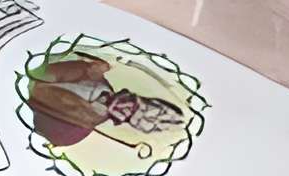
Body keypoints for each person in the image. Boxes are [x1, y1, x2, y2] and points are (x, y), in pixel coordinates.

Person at [24, 52, 187, 150]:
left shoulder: (72, 133)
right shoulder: (96, 74)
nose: (145, 113)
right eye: (155, 110)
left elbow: (36, 103)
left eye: (150, 122)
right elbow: (39, 77)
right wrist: (83, 68)